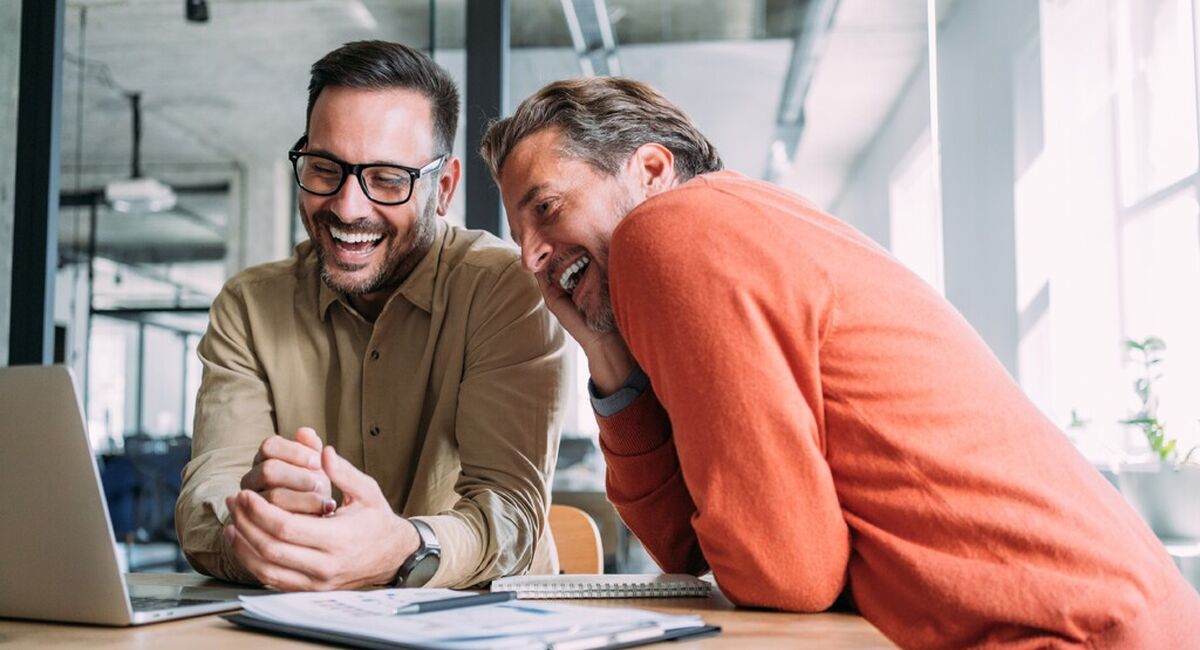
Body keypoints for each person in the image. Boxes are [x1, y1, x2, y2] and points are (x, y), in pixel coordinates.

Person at [480, 77, 1200, 649]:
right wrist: (605, 353)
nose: (532, 255)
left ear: (651, 170)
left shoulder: (669, 230)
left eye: (546, 207)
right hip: (1113, 619)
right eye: (519, 234)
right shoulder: (736, 230)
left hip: (1064, 635)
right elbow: (680, 547)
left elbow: (782, 571)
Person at [175, 41, 567, 591]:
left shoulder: (506, 291)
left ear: (443, 189)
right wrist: (258, 531)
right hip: (300, 623)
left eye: (386, 178)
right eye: (324, 168)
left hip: (477, 627)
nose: (347, 207)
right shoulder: (248, 306)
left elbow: (510, 516)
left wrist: (405, 550)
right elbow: (206, 501)